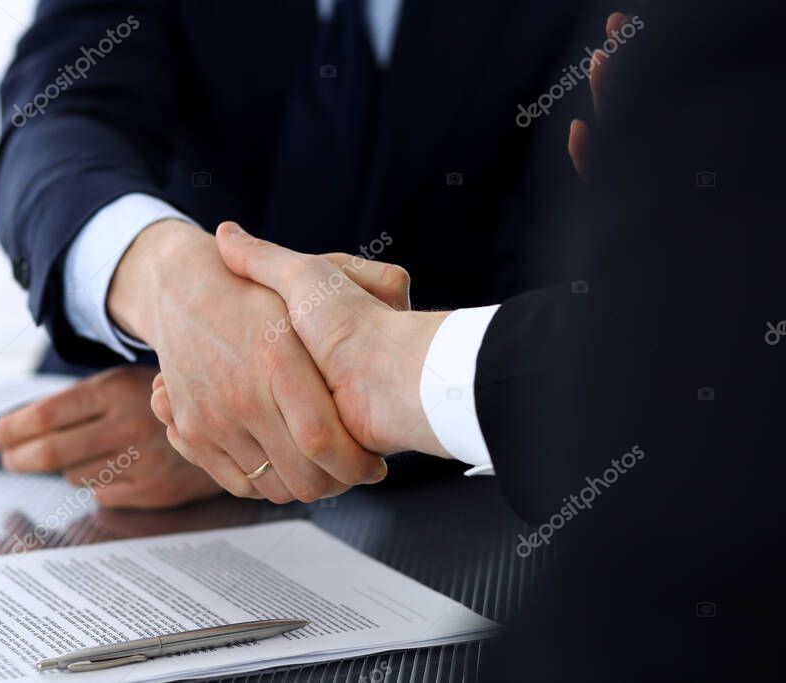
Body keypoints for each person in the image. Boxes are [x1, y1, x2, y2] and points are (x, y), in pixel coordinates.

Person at [155, 1, 786, 678]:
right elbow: (58, 123)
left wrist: (364, 375)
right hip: (138, 442)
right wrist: (171, 291)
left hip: (471, 514)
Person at [0, 0, 592, 507]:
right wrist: (167, 280)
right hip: (125, 435)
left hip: (464, 494)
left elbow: (583, 279)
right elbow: (53, 121)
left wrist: (259, 421)